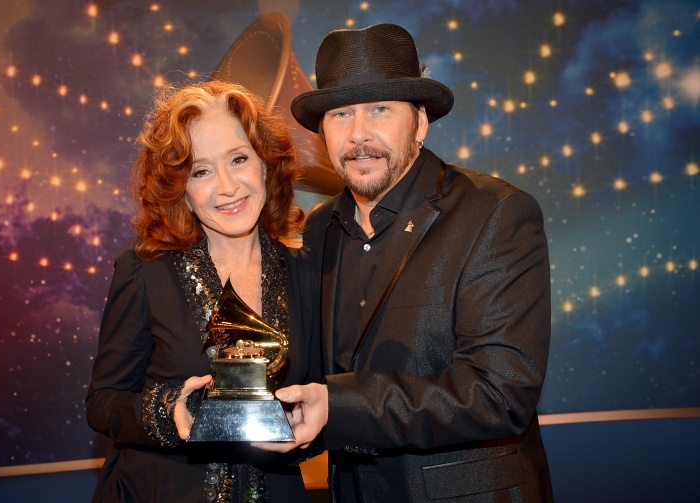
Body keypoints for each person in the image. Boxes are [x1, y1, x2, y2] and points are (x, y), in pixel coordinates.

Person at [258, 23, 554, 502]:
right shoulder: (317, 228)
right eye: (340, 114)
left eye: (380, 110)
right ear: (321, 134)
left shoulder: (496, 213)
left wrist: (336, 405)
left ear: (419, 122)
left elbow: (499, 394)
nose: (358, 135)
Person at [85, 80, 320, 502]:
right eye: (202, 171)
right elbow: (103, 403)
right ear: (183, 192)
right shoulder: (143, 273)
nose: (227, 186)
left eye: (239, 159)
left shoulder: (308, 273)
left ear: (265, 165)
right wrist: (168, 409)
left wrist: (310, 427)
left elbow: (323, 398)